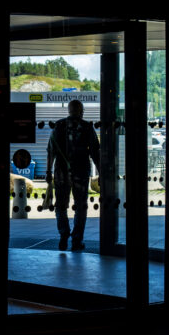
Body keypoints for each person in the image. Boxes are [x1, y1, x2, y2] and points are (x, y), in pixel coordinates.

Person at [46, 99, 100, 252]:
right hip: (81, 172)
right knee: (81, 206)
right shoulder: (87, 127)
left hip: (61, 173)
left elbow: (51, 151)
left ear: (68, 110)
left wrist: (48, 172)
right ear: (81, 111)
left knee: (61, 205)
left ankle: (63, 235)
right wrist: (101, 172)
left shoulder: (59, 126)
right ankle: (77, 240)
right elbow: (95, 152)